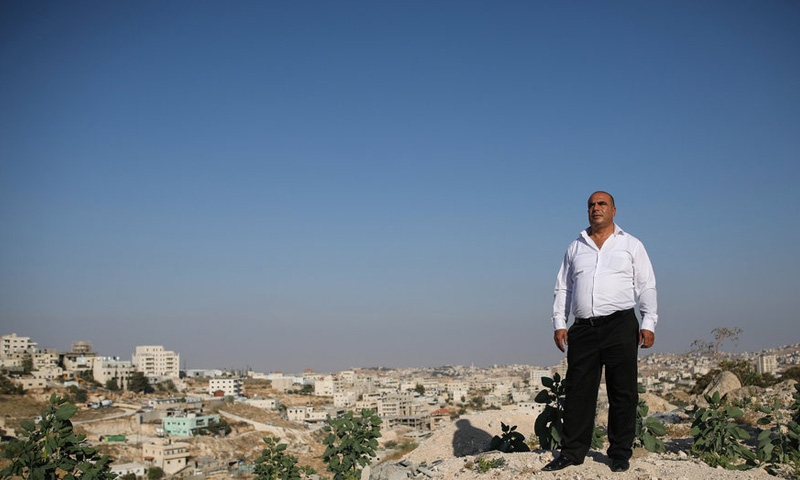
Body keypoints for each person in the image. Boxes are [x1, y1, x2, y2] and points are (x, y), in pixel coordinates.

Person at [542, 191, 658, 473]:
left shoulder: (631, 245)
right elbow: (564, 288)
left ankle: (619, 453)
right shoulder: (575, 247)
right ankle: (572, 452)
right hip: (583, 328)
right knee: (579, 391)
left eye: (601, 204)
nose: (596, 208)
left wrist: (648, 322)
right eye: (591, 205)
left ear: (614, 210)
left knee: (623, 391)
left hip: (620, 324)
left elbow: (646, 285)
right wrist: (559, 322)